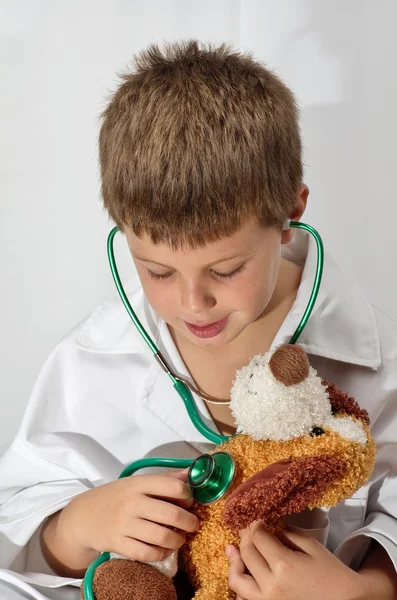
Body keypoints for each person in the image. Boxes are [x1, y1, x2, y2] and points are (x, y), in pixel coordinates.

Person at [1, 40, 396, 600]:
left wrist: (363, 594)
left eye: (227, 268)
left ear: (292, 211)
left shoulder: (379, 361)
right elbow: (22, 539)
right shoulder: (91, 358)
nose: (192, 303)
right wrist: (76, 526)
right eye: (158, 272)